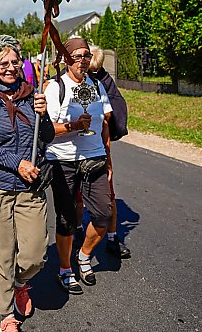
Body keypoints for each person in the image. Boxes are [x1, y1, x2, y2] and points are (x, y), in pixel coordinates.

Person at [0, 35, 54, 332]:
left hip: (30, 186)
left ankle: (21, 282)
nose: (9, 67)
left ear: (22, 63)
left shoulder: (33, 96)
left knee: (35, 254)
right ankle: (6, 314)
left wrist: (43, 116)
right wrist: (16, 163)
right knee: (1, 252)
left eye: (14, 61)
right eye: (2, 62)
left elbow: (47, 137)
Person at [43, 37, 113, 294]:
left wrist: (108, 158)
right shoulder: (55, 87)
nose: (82, 60)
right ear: (66, 59)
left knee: (104, 215)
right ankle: (64, 268)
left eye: (86, 56)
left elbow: (104, 123)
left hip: (94, 157)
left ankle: (83, 256)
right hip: (63, 161)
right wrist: (73, 127)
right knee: (66, 219)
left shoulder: (96, 85)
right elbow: (47, 131)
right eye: (77, 56)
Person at [87, 45, 131, 259]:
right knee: (77, 198)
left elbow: (112, 113)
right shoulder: (66, 80)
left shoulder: (103, 81)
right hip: (75, 148)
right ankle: (78, 231)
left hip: (99, 146)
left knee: (109, 195)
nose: (89, 71)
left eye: (94, 68)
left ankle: (113, 238)